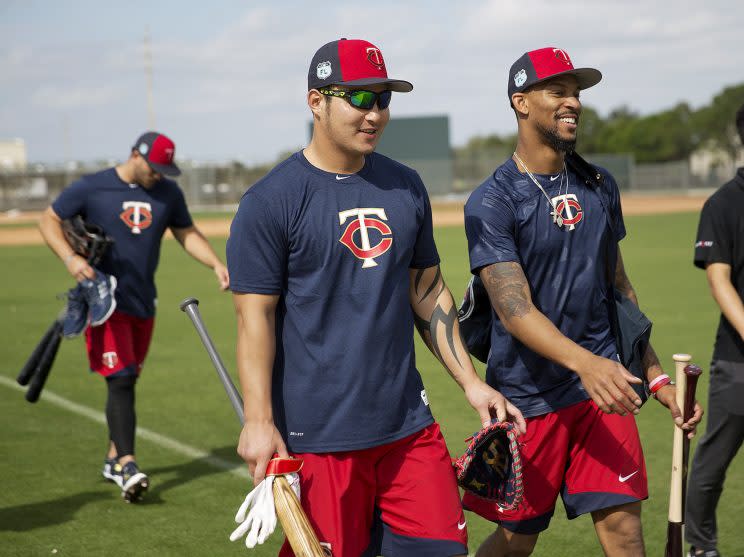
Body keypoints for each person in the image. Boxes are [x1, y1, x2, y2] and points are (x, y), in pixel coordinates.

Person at [226, 38, 525, 556]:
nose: (375, 113)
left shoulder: (404, 186)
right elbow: (255, 318)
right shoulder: (269, 202)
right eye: (358, 98)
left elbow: (426, 289)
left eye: (383, 98)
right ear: (316, 101)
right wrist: (258, 421)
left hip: (407, 427)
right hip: (319, 439)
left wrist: (471, 384)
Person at [462, 47, 703, 556]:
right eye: (558, 91)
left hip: (604, 392)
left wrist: (654, 376)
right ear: (521, 102)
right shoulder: (494, 200)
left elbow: (619, 291)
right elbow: (514, 309)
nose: (572, 102)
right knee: (513, 543)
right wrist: (586, 364)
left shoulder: (598, 184)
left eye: (577, 92)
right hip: (529, 401)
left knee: (623, 530)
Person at [39, 131, 229, 502]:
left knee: (129, 378)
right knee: (120, 380)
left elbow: (186, 232)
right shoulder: (93, 187)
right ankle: (127, 464)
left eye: (164, 169)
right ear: (135, 155)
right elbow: (49, 219)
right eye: (154, 167)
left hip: (144, 301)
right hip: (105, 301)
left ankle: (113, 459)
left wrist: (215, 264)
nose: (158, 175)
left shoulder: (167, 194)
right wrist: (70, 257)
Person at [686, 103, 744, 557]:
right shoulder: (724, 202)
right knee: (712, 463)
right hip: (738, 363)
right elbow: (718, 279)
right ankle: (701, 547)